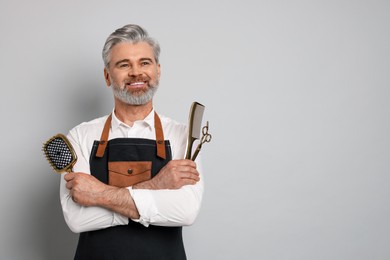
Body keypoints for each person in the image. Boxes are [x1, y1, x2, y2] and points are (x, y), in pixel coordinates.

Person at [60, 24, 204, 260]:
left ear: (158, 70)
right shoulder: (79, 136)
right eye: (124, 64)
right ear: (107, 76)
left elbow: (185, 212)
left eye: (145, 63)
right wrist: (156, 186)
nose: (136, 72)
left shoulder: (183, 136)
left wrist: (98, 195)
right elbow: (77, 220)